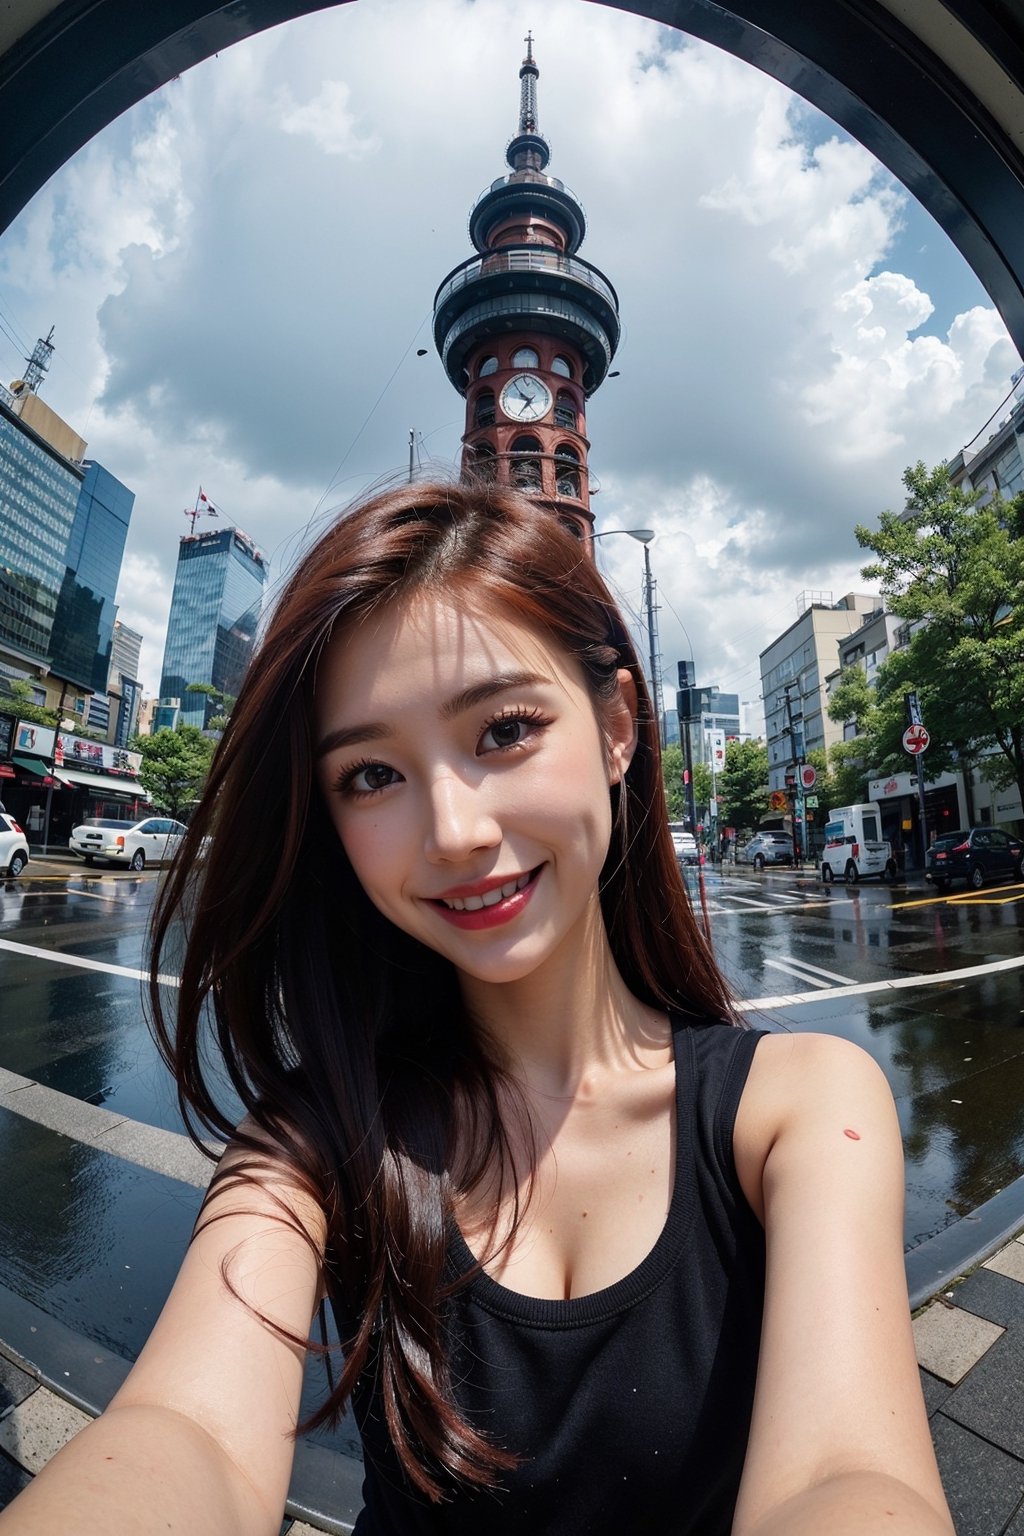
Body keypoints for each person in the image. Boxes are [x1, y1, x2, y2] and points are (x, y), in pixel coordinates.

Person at [0, 481, 953, 1536]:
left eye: (503, 729)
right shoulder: (311, 1145)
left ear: (618, 728)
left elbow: (850, 1479)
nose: (450, 830)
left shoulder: (803, 1108)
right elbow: (188, 1433)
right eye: (370, 774)